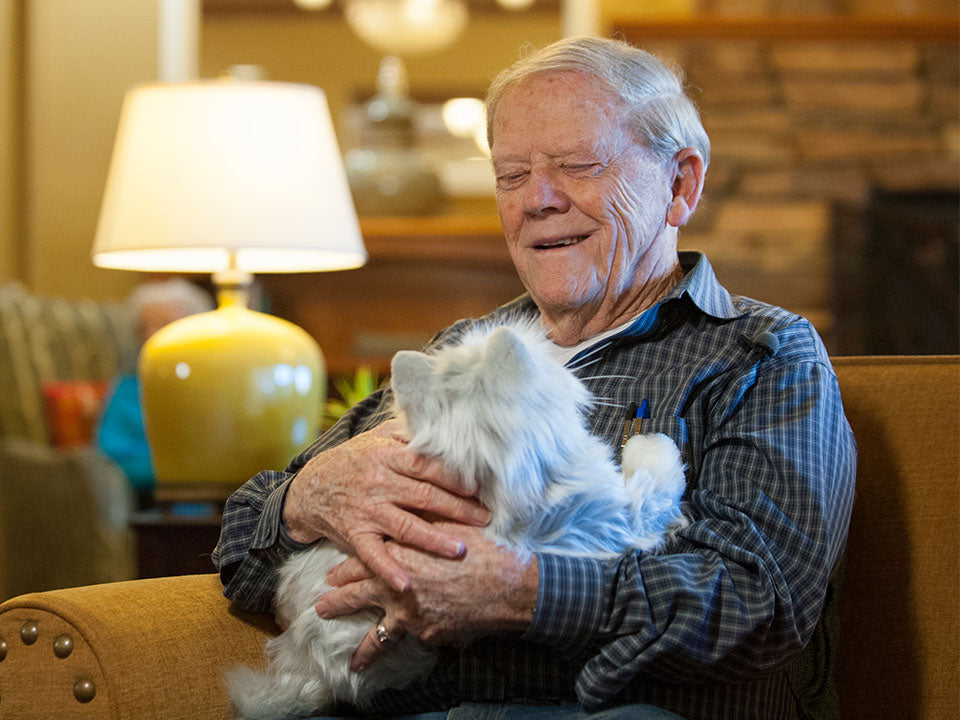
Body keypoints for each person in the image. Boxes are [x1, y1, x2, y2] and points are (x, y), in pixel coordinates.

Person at [213, 36, 856, 720]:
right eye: (511, 175)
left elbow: (761, 607)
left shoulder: (756, 354)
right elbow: (238, 546)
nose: (538, 200)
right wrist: (311, 496)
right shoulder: (459, 352)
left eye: (577, 165)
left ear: (680, 184)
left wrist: (524, 592)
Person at [96, 279, 214, 508]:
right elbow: (110, 458)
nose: (151, 335)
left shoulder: (216, 388)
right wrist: (179, 469)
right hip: (152, 504)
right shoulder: (127, 390)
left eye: (164, 325)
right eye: (144, 327)